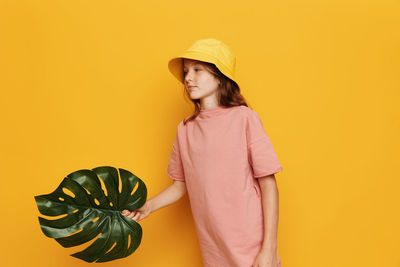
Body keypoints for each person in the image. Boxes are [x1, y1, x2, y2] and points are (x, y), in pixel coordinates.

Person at [121, 38, 283, 267]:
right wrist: (148, 207)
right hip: (213, 247)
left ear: (220, 76)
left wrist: (269, 249)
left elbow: (268, 184)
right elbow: (181, 185)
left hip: (251, 242)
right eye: (186, 71)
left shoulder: (244, 119)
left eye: (197, 69)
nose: (188, 78)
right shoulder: (185, 128)